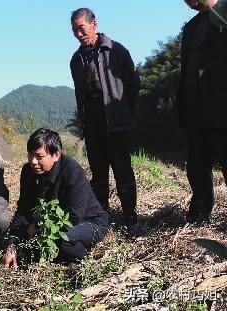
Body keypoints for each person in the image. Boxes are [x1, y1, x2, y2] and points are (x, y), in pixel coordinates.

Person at [69, 8, 141, 233]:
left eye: (81, 28)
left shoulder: (116, 51)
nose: (79, 34)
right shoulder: (76, 60)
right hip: (92, 123)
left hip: (115, 121)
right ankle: (102, 218)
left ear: (94, 24)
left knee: (123, 172)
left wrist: (121, 111)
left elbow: (133, 85)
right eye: (74, 30)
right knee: (98, 174)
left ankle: (131, 217)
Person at [2, 128, 109, 268]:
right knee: (26, 243)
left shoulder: (71, 170)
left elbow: (75, 216)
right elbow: (23, 208)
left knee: (61, 240)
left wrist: (39, 227)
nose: (33, 161)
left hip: (89, 222)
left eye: (39, 156)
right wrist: (12, 243)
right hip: (53, 223)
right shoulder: (28, 171)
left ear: (56, 155)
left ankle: (78, 256)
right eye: (30, 155)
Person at [178, 0, 227, 223]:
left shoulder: (224, 14)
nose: (189, 2)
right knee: (197, 166)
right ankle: (200, 211)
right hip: (194, 109)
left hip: (221, 107)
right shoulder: (191, 27)